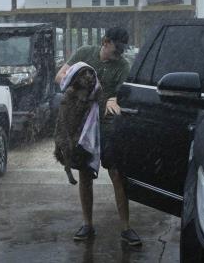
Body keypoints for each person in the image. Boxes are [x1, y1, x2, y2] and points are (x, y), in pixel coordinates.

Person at [55, 27, 141, 246]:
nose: (120, 52)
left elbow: (124, 95)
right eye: (117, 47)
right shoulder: (84, 54)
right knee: (85, 175)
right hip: (84, 127)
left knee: (117, 175)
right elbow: (60, 77)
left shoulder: (122, 66)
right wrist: (83, 86)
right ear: (105, 41)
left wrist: (115, 100)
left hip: (109, 128)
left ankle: (126, 227)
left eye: (123, 48)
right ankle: (87, 224)